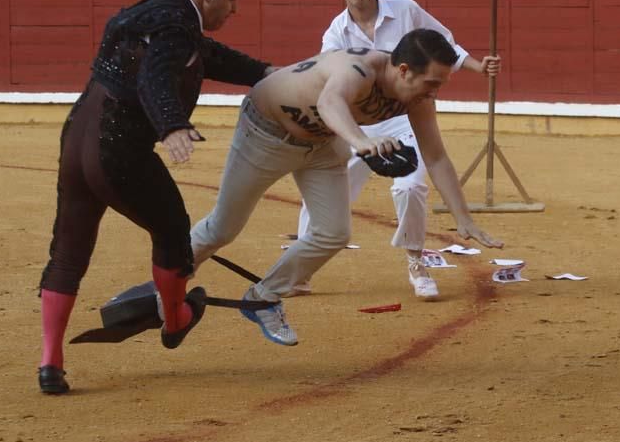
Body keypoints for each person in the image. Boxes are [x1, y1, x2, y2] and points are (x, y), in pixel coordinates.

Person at [37, 0, 273, 395]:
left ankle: (50, 362)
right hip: (117, 149)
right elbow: (156, 76)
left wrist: (263, 71)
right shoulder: (177, 27)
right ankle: (174, 318)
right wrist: (172, 124)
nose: (235, 7)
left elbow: (204, 56)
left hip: (77, 139)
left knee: (68, 252)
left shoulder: (159, 11)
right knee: (171, 227)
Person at [190, 23, 501, 344]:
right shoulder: (360, 68)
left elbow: (435, 158)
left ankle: (262, 297)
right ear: (404, 70)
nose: (434, 93)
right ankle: (166, 286)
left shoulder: (417, 97)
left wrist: (463, 217)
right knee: (222, 229)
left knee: (333, 233)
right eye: (432, 83)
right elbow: (330, 103)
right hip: (266, 132)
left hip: (322, 143)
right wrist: (361, 141)